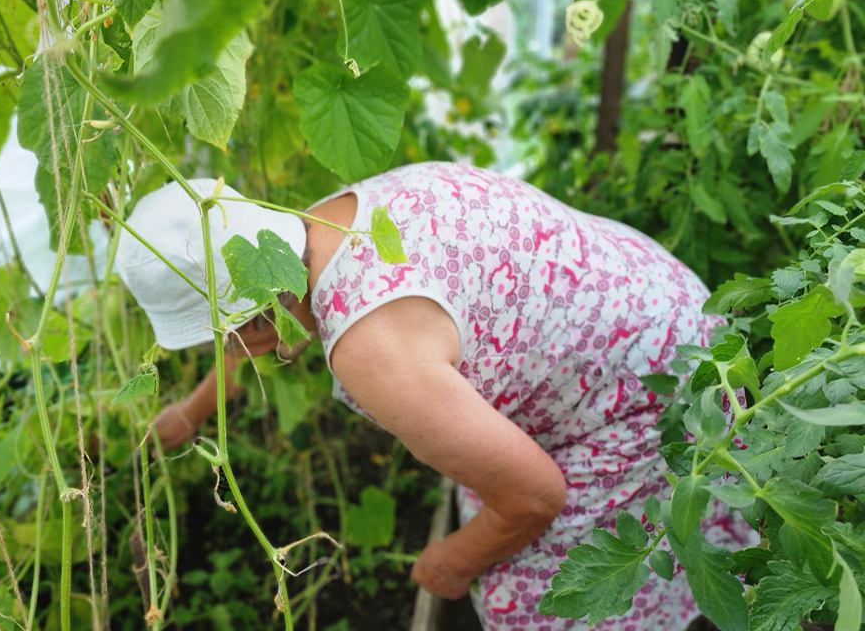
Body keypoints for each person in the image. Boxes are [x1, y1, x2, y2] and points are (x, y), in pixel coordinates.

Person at [116, 162, 751, 631]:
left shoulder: (369, 345)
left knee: (530, 600)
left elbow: (534, 496)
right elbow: (263, 322)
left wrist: (448, 563)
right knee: (480, 482)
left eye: (224, 335)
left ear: (251, 321)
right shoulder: (322, 221)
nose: (234, 352)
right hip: (650, 298)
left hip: (655, 395)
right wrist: (195, 410)